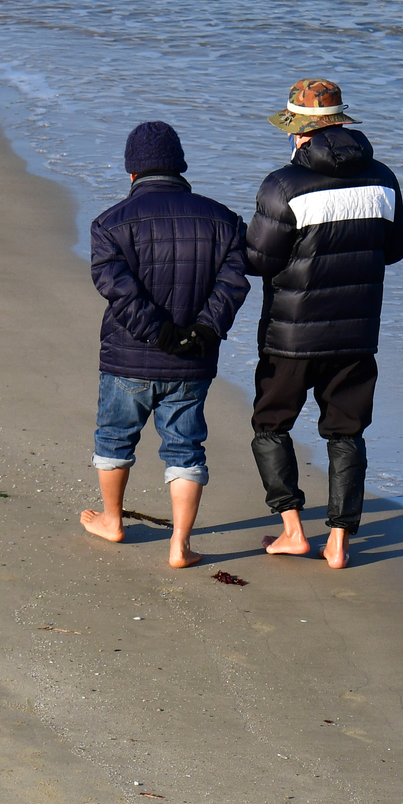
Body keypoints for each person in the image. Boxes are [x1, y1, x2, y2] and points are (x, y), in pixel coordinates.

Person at [245, 79, 403, 569]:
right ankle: (339, 542)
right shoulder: (382, 178)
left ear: (300, 132)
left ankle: (292, 530)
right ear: (342, 124)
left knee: (271, 424)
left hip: (290, 336)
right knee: (346, 433)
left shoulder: (282, 185)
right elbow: (397, 248)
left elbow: (258, 259)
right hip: (356, 334)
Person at [81, 121, 249, 568]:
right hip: (192, 362)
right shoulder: (224, 220)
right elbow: (233, 285)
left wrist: (158, 333)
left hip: (128, 357)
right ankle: (180, 544)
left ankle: (112, 521)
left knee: (115, 438)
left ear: (132, 173)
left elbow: (116, 288)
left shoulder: (109, 223)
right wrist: (203, 331)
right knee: (185, 447)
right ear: (179, 167)